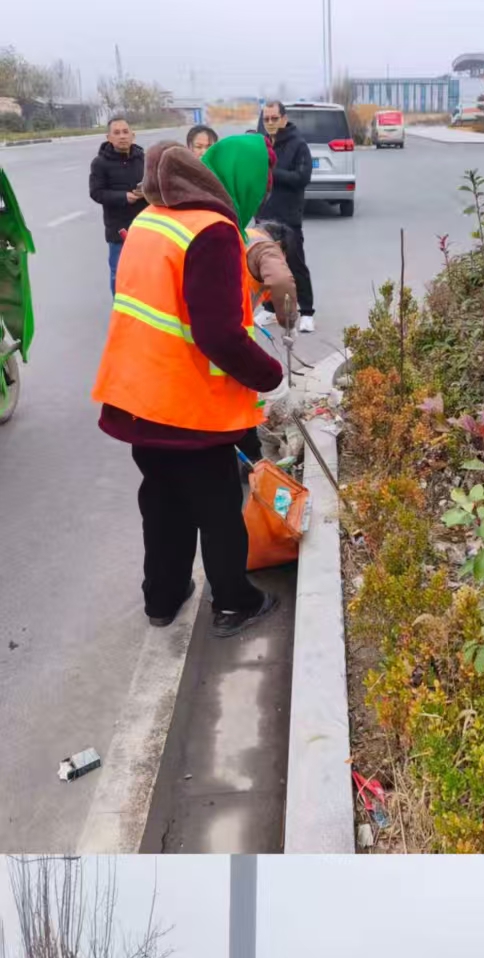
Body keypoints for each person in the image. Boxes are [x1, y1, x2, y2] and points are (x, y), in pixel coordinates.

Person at [91, 141, 284, 636]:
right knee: (218, 509)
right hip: (187, 402)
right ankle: (235, 602)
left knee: (162, 503)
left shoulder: (152, 219)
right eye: (262, 181)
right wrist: (267, 374)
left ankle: (163, 597)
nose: (262, 192)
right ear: (241, 180)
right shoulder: (213, 232)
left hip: (137, 395)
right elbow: (216, 333)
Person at [201, 133, 299, 465]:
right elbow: (282, 280)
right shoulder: (255, 242)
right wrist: (289, 322)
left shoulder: (229, 229)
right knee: (246, 398)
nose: (259, 201)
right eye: (260, 192)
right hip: (214, 350)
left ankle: (249, 456)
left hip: (175, 368)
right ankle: (253, 461)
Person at [257, 101, 315, 333]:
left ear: (283, 118)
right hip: (263, 216)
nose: (270, 123)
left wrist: (271, 172)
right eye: (266, 119)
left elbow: (302, 177)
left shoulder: (298, 145)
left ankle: (307, 311)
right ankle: (270, 308)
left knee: (295, 265)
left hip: (288, 217)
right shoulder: (260, 143)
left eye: (274, 118)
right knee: (264, 267)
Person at [88, 114, 146, 296]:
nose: (122, 136)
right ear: (109, 137)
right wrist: (123, 197)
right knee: (119, 274)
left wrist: (147, 192)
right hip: (118, 229)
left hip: (145, 226)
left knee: (146, 273)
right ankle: (120, 314)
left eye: (125, 132)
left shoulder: (143, 159)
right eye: (117, 132)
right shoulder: (100, 163)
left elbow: (156, 184)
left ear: (133, 135)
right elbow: (96, 193)